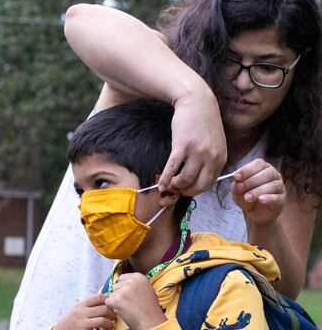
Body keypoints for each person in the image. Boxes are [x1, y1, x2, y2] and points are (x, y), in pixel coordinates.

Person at [11, 0, 322, 329]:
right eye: (229, 59)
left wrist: (263, 224)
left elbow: (283, 293)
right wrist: (192, 95)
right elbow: (79, 19)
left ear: (300, 68)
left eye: (268, 67)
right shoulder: (147, 82)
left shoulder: (295, 159)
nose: (242, 82)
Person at [55, 100, 281, 330]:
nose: (86, 206)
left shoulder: (228, 286)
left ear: (167, 190)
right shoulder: (112, 291)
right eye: (81, 191)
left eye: (101, 183)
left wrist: (150, 322)